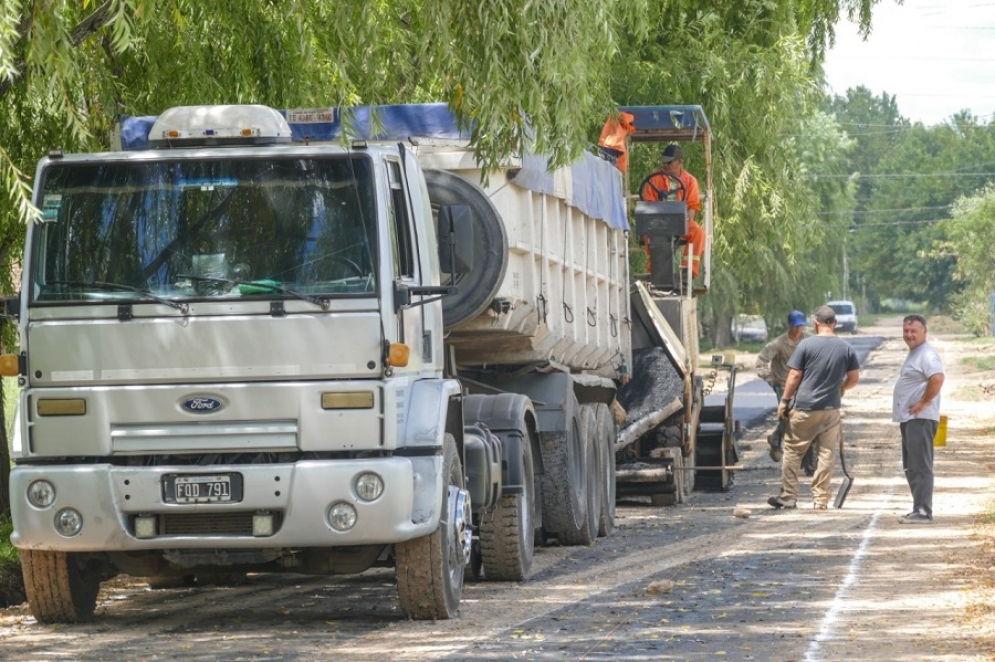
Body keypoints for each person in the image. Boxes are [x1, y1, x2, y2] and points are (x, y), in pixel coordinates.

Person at [768, 305, 859, 510]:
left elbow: (794, 375)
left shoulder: (806, 345)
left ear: (815, 323)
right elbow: (854, 379)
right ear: (834, 323)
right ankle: (820, 500)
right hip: (830, 410)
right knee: (826, 453)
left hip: (805, 408)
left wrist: (784, 401)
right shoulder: (845, 347)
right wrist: (841, 388)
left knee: (792, 450)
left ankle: (789, 497)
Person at [893, 314, 945, 524]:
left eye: (913, 331)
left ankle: (923, 511)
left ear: (924, 332)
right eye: (906, 330)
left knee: (921, 465)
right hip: (911, 419)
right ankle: (918, 508)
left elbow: (938, 378)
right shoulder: (915, 353)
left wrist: (923, 402)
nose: (909, 335)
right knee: (911, 464)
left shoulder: (927, 354)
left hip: (920, 419)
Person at [639, 144, 706, 279]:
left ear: (680, 162)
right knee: (649, 231)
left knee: (698, 232)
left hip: (680, 222)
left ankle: (688, 271)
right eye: (664, 161)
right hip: (657, 222)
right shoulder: (654, 179)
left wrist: (683, 220)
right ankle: (656, 271)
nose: (665, 165)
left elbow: (692, 208)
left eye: (669, 162)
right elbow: (648, 204)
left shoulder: (690, 181)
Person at [756, 310, 813, 463]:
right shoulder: (778, 344)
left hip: (805, 386)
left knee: (808, 419)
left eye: (800, 326)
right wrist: (770, 379)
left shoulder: (809, 340)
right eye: (795, 326)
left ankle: (776, 438)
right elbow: (761, 362)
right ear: (788, 325)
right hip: (783, 385)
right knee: (787, 416)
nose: (798, 330)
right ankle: (783, 444)